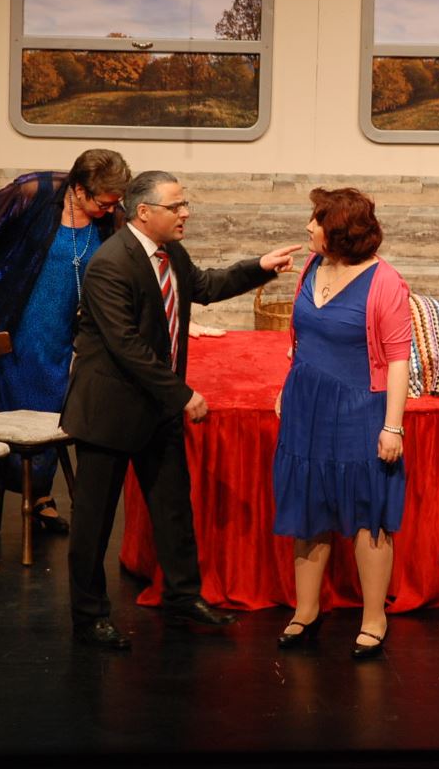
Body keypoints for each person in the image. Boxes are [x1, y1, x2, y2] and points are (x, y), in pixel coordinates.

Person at [60, 170, 302, 650]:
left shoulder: (171, 253)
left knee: (173, 509)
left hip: (155, 410)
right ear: (143, 211)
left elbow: (205, 286)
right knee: (94, 522)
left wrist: (260, 266)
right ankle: (89, 617)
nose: (185, 213)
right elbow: (126, 345)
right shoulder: (110, 264)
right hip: (110, 412)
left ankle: (183, 597)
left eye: (184, 204)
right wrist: (182, 394)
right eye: (176, 206)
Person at [0, 149, 131, 533]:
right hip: (15, 316)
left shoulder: (111, 216)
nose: (109, 210)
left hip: (60, 329)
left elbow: (130, 263)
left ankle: (39, 494)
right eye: (103, 203)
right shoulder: (33, 193)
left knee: (50, 404)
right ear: (80, 190)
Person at [271, 187, 412, 660]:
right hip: (306, 405)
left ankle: (374, 618)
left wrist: (393, 427)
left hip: (359, 409)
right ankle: (306, 610)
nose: (308, 227)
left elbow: (398, 360)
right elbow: (302, 339)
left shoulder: (385, 283)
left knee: (368, 514)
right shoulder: (312, 268)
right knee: (309, 506)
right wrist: (287, 387)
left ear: (338, 233)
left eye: (316, 220)